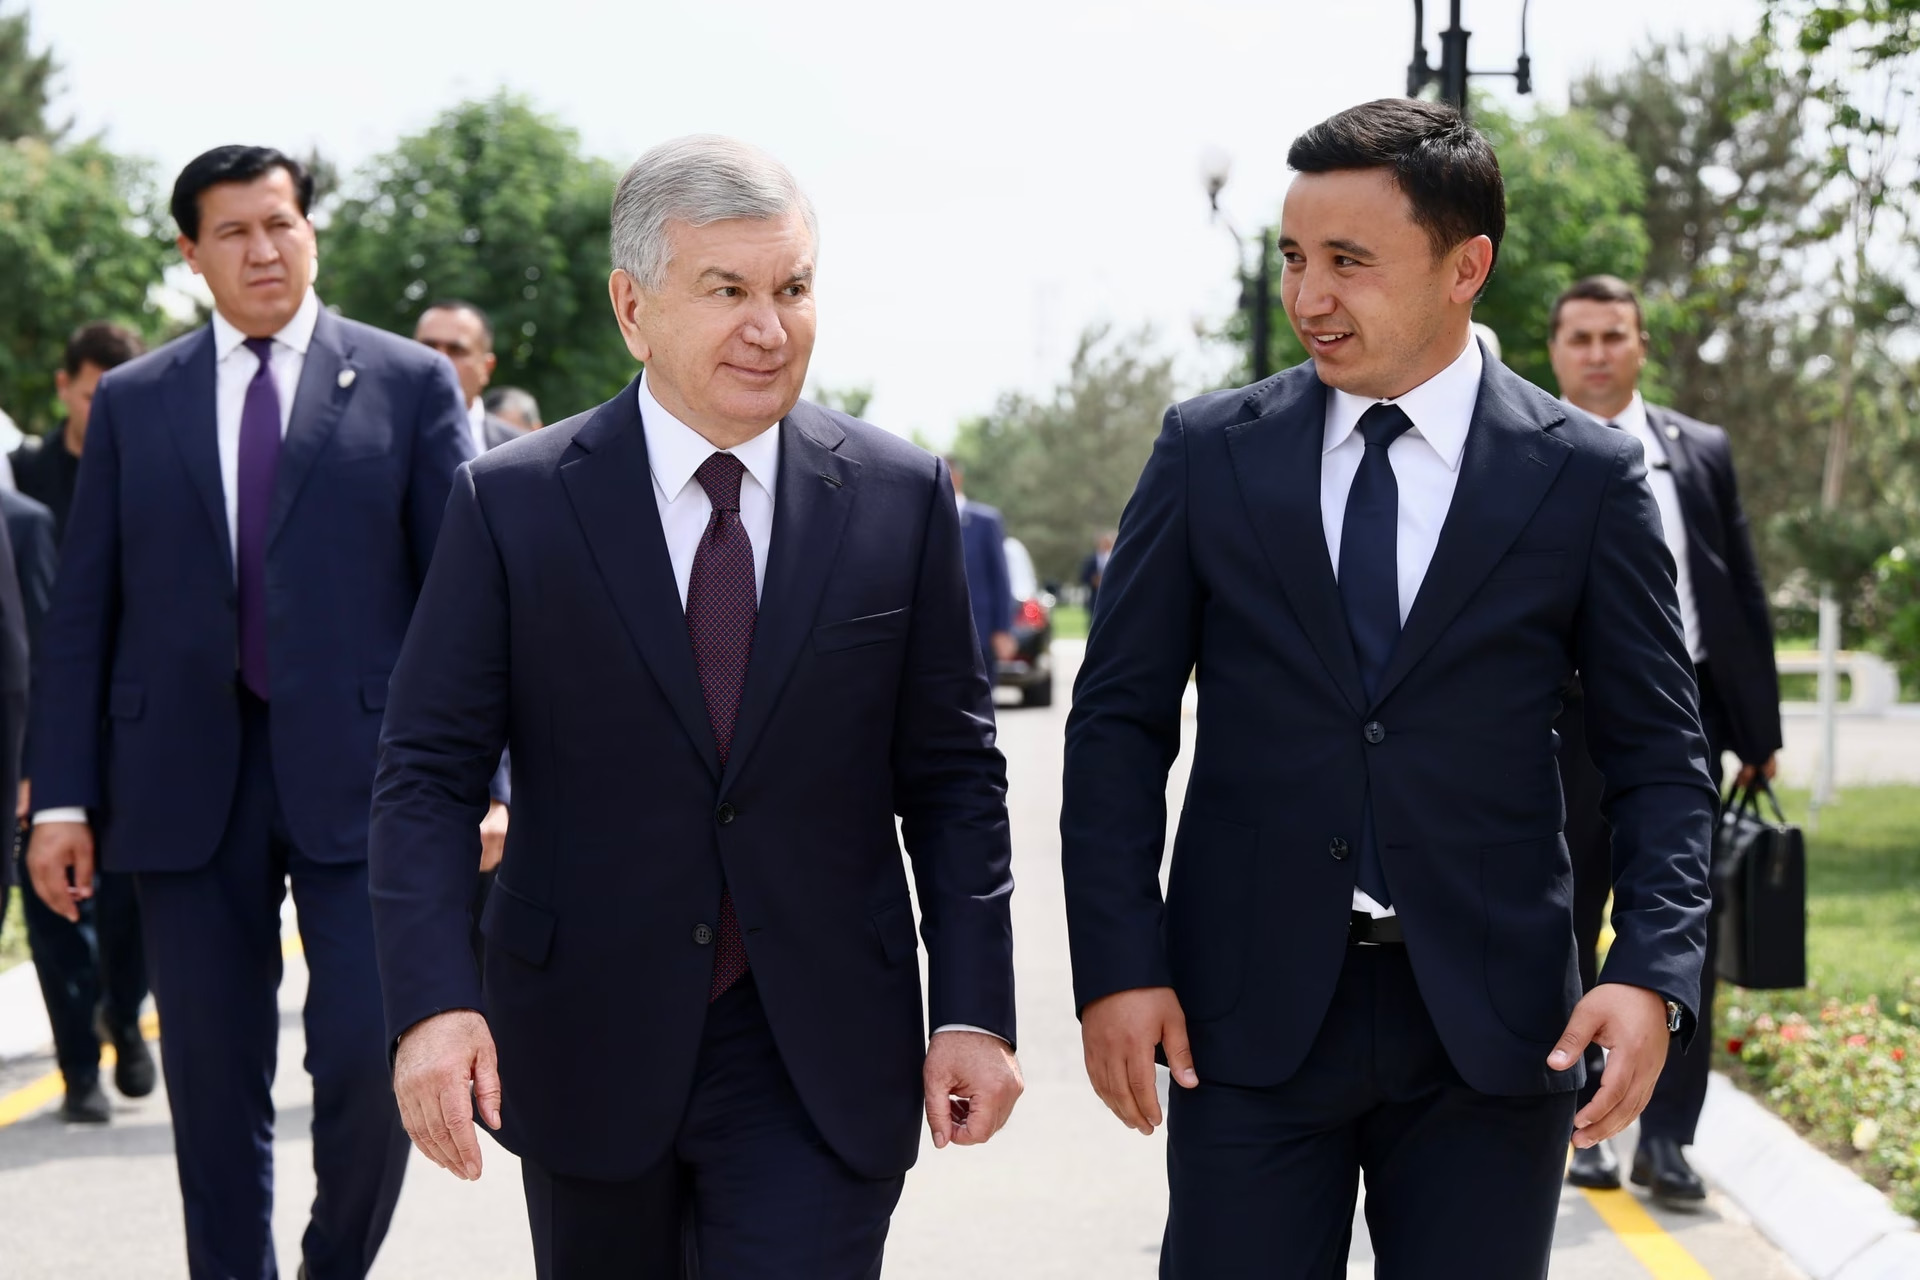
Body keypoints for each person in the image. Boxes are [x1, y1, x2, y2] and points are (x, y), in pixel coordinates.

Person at [1060, 99, 1716, 1279]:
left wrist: (1652, 972)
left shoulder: (1585, 478)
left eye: (1348, 261)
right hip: (1244, 1019)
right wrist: (1118, 961)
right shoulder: (1208, 453)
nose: (1310, 295)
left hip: (1497, 1027)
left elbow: (1662, 758)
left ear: (1467, 267)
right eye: (1294, 257)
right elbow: (1117, 724)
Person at [369, 133, 1022, 1279]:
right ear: (633, 308)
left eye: (793, 288)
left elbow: (954, 776)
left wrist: (974, 1006)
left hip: (820, 1048)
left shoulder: (900, 496)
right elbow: (427, 774)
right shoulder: (512, 505)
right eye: (727, 291)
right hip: (584, 1038)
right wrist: (432, 1003)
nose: (769, 327)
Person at [24, 145, 474, 1280]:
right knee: (213, 1082)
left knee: (372, 1057)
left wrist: (493, 782)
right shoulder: (135, 402)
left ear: (310, 230)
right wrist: (61, 796)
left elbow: (467, 605)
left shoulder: (408, 382)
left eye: (282, 224)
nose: (264, 250)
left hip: (373, 782)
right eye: (233, 232)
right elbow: (84, 611)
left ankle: (332, 1265)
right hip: (180, 784)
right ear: (191, 253)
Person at [1546, 274, 1782, 1204]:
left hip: (1684, 723)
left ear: (1641, 345)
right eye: (1580, 338)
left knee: (1681, 934)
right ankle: (1582, 1123)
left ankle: (1669, 1141)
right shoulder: (1522, 446)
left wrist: (1757, 730)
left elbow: (1738, 587)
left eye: (1615, 335)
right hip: (1561, 725)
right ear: (1556, 351)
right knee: (1565, 922)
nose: (1598, 353)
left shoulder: (1701, 451)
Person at [12, 321, 155, 1125]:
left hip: (137, 725)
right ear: (65, 386)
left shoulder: (157, 465)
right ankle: (77, 1069)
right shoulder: (23, 480)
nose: (106, 413)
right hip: (46, 720)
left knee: (134, 901)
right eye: (95, 396)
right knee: (55, 906)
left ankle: (123, 1015)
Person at [416, 300, 526, 455]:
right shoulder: (382, 435)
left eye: (456, 350)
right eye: (428, 347)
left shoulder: (520, 450)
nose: (438, 362)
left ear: (486, 368)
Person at [946, 458, 1016, 677]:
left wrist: (1002, 629)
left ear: (957, 477)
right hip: (934, 634)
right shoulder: (921, 517)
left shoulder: (985, 521)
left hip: (979, 632)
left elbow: (1000, 578)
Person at [1079, 530, 1115, 615]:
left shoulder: (1115, 557)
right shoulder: (1091, 559)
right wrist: (1094, 580)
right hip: (1095, 596)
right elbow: (1083, 576)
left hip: (1112, 594)